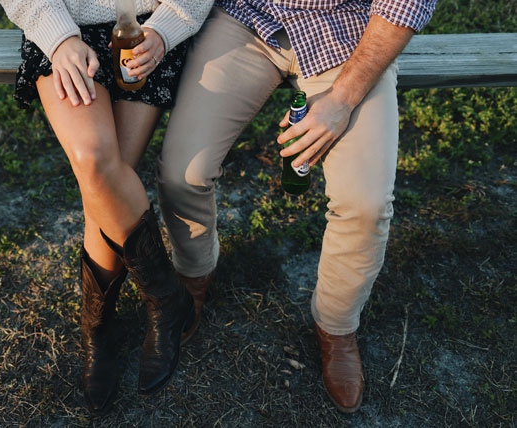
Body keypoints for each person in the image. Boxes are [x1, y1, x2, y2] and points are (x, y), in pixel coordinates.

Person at [156, 0, 437, 413]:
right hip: (247, 13)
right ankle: (194, 273)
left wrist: (342, 100)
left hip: (351, 28)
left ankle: (336, 328)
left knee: (365, 204)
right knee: (183, 173)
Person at [0, 0, 213, 414]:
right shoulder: (60, 34)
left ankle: (97, 325)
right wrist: (59, 39)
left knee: (108, 188)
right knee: (95, 161)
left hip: (147, 35)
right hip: (63, 29)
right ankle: (166, 297)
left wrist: (166, 31)